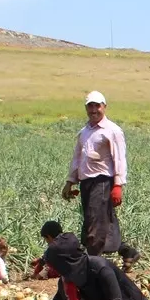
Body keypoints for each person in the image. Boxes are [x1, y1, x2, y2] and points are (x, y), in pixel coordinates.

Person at [62, 91, 138, 262]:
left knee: (94, 221)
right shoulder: (84, 132)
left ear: (105, 107)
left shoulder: (112, 131)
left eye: (98, 105)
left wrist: (118, 185)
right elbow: (77, 158)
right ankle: (128, 252)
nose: (94, 109)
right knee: (105, 219)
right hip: (86, 182)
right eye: (90, 106)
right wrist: (70, 181)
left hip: (102, 180)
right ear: (86, 108)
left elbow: (119, 158)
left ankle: (93, 262)